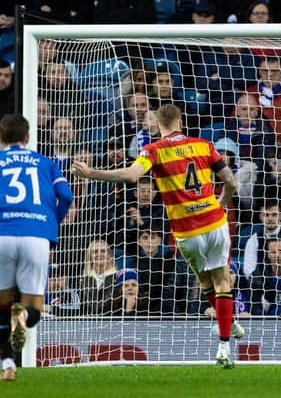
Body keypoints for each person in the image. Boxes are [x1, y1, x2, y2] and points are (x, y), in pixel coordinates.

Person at [72, 104, 241, 369]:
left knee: (205, 280)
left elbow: (131, 175)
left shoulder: (154, 150)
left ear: (159, 125)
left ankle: (225, 328)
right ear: (181, 122)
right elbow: (230, 182)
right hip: (214, 221)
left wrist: (92, 173)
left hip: (186, 230)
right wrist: (222, 202)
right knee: (221, 282)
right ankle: (225, 343)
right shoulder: (204, 145)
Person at [0, 114, 73, 381]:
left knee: (1, 304)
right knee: (33, 311)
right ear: (27, 137)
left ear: (0, 138)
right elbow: (66, 195)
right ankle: (23, 314)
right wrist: (53, 222)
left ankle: (8, 364)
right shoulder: (46, 163)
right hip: (37, 234)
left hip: (2, 234)